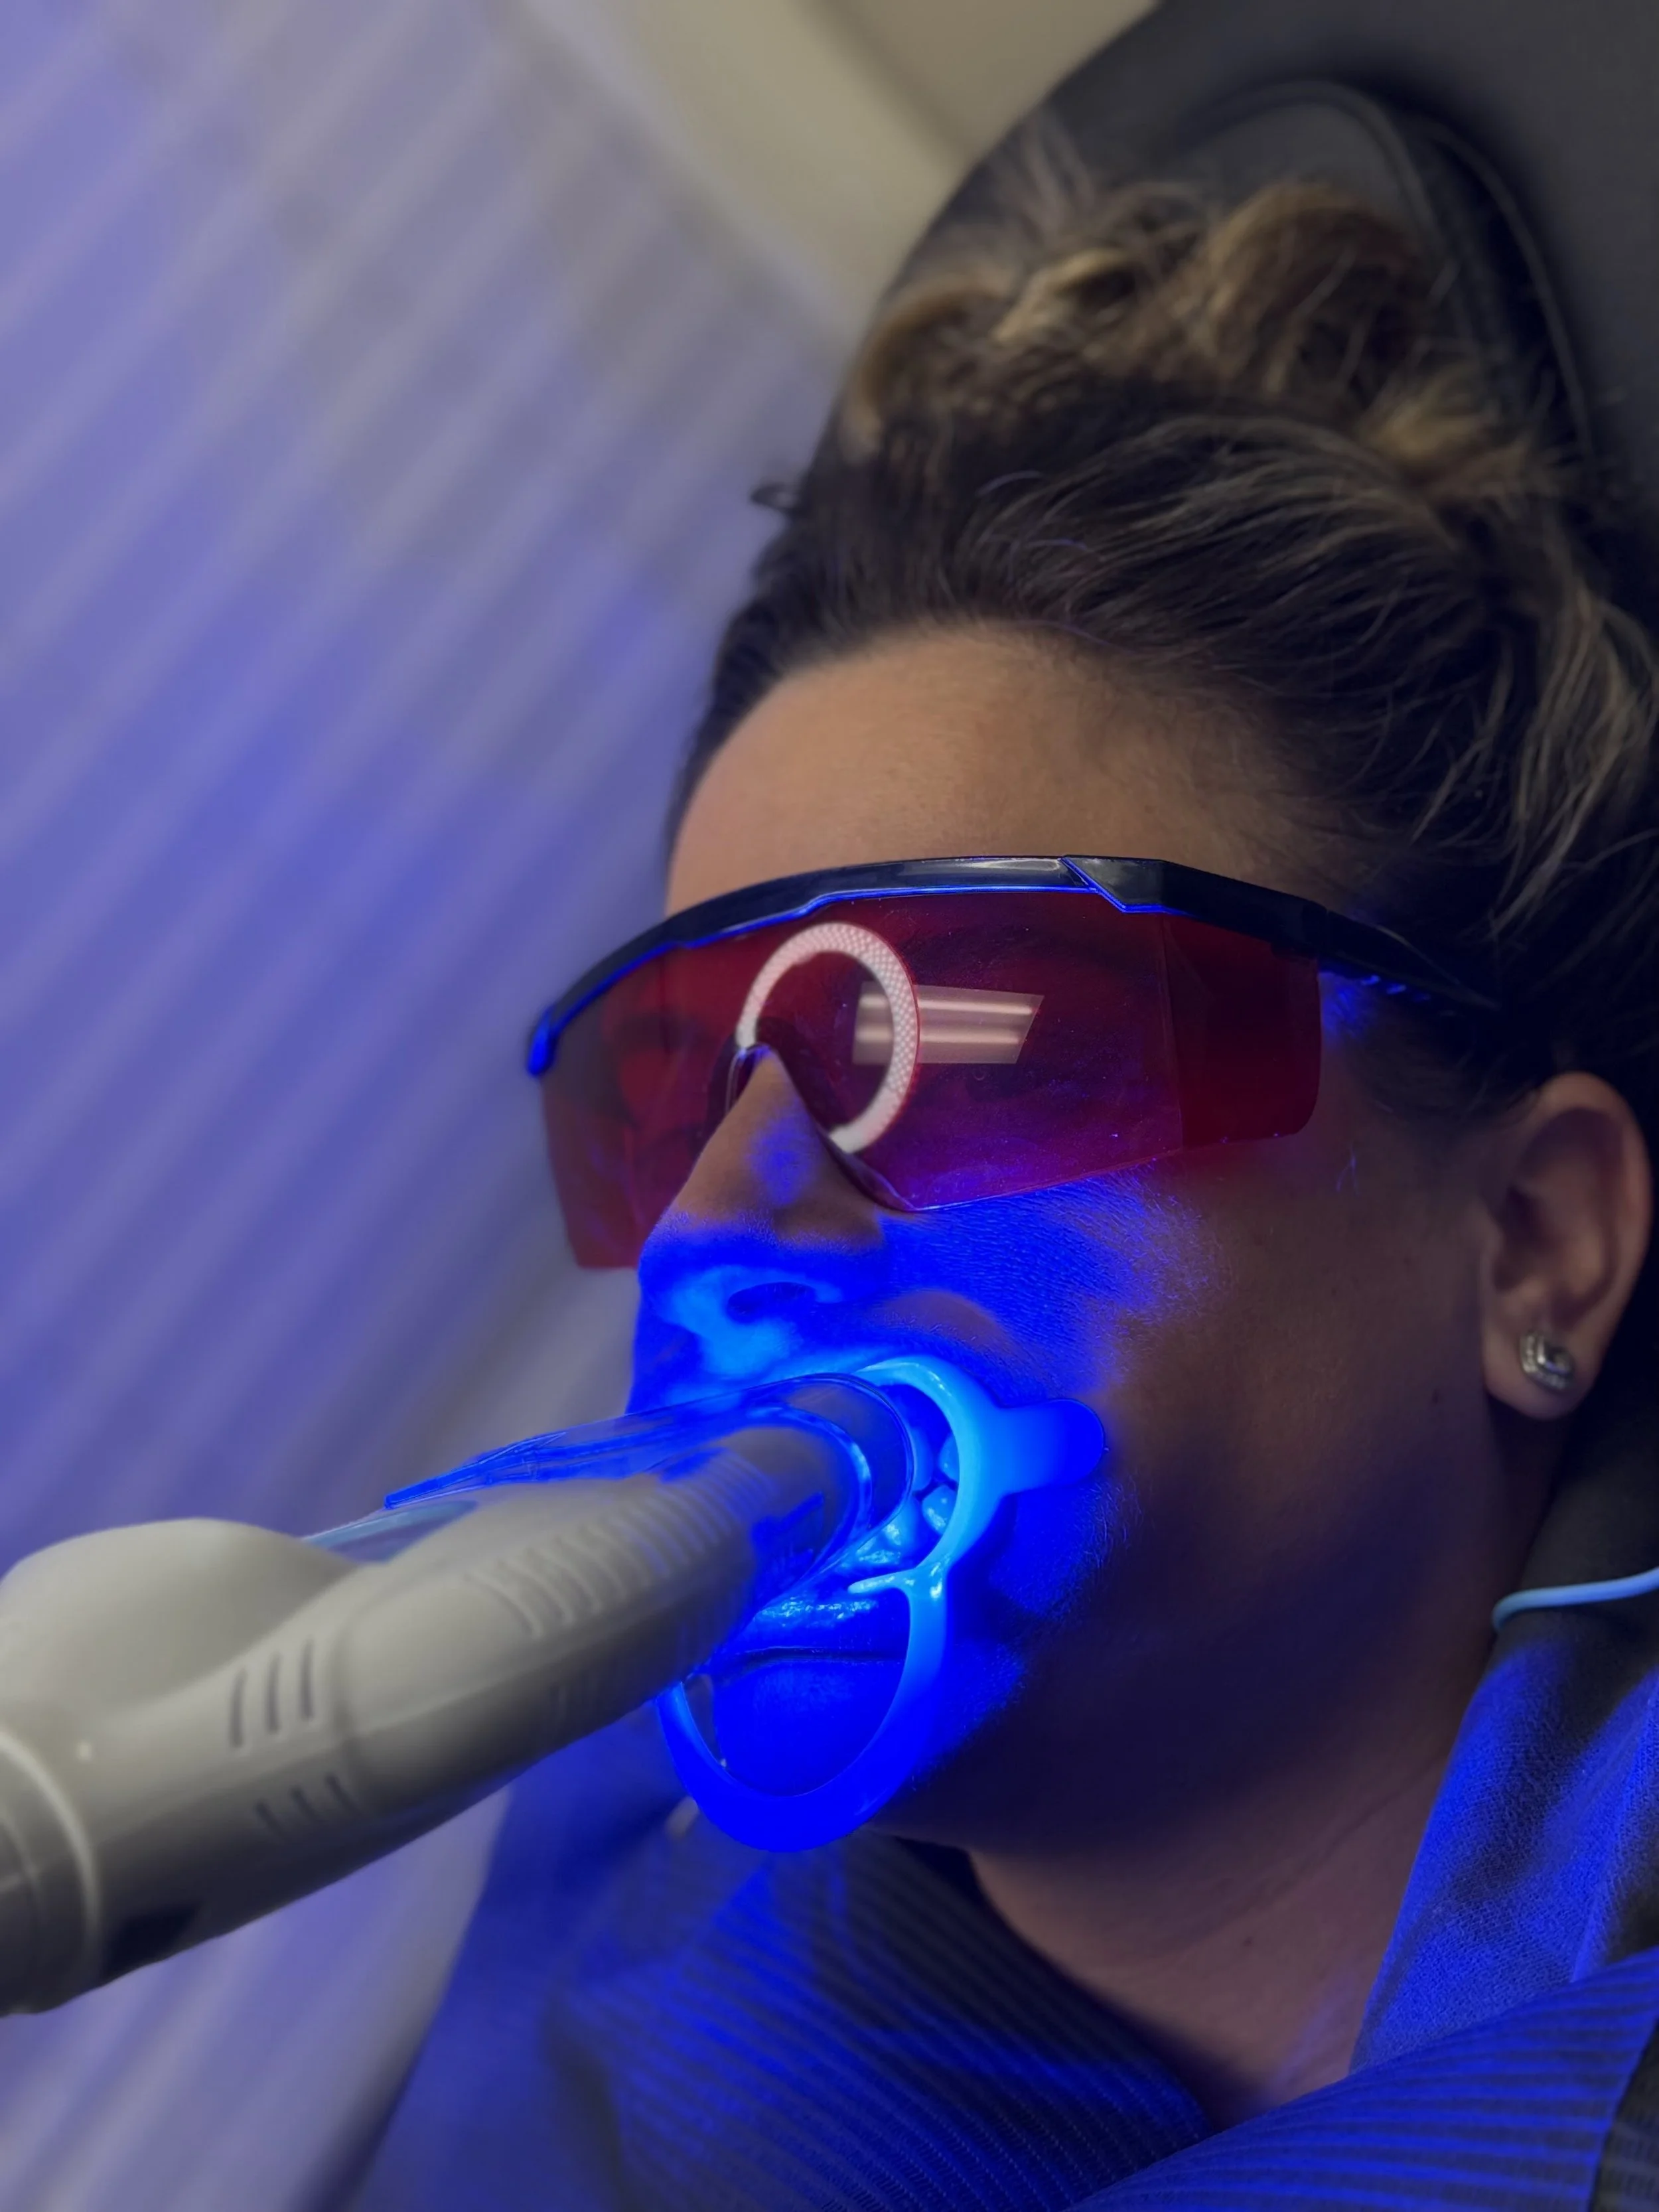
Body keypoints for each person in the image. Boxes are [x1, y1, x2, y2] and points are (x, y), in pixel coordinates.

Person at [356, 160, 1658, 2211]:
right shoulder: (581, 2026)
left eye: (973, 1042)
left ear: (1532, 1241)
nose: (716, 1221)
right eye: (669, 1081)